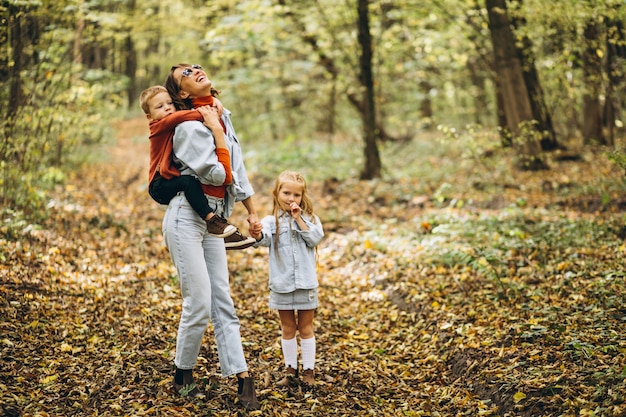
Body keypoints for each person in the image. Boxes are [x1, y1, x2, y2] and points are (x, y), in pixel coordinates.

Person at [161, 63, 261, 409]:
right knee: (199, 301)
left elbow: (239, 168)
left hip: (216, 218)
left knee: (223, 300)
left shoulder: (219, 113)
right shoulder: (189, 126)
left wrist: (251, 211)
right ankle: (182, 372)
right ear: (183, 94)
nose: (196, 69)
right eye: (186, 72)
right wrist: (216, 134)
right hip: (187, 217)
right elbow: (218, 174)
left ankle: (242, 375)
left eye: (196, 65)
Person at [141, 85, 251, 243]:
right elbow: (183, 116)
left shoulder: (170, 123)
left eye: (169, 103)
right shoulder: (158, 125)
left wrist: (213, 101)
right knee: (188, 182)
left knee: (190, 181)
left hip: (169, 180)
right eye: (160, 106)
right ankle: (212, 220)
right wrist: (211, 111)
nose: (167, 108)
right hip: (159, 185)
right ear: (149, 116)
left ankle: (218, 228)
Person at [249, 171, 324, 387]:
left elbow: (315, 238)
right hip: (282, 283)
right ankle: (291, 370)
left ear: (303, 197)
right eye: (286, 193)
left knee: (306, 327)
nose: (291, 198)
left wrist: (298, 218)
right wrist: (255, 233)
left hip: (305, 283)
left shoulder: (309, 219)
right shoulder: (270, 221)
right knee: (288, 327)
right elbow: (261, 241)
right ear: (276, 193)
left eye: (296, 195)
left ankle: (309, 371)